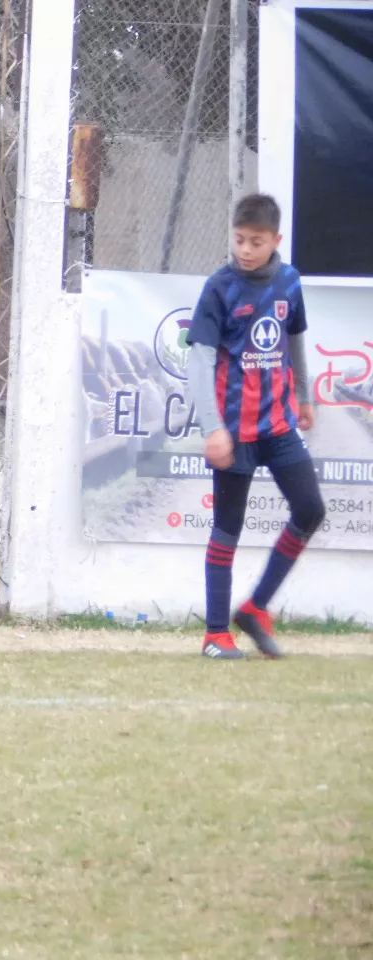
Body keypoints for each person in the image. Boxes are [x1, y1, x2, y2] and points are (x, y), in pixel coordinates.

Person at [187, 192, 325, 660]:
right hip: (234, 430)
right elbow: (200, 362)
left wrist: (303, 396)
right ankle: (214, 634)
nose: (245, 250)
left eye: (256, 241)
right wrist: (213, 428)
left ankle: (257, 608)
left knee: (310, 510)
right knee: (228, 529)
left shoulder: (289, 281)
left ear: (276, 240)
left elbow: (295, 339)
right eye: (239, 239)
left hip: (280, 425)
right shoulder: (219, 288)